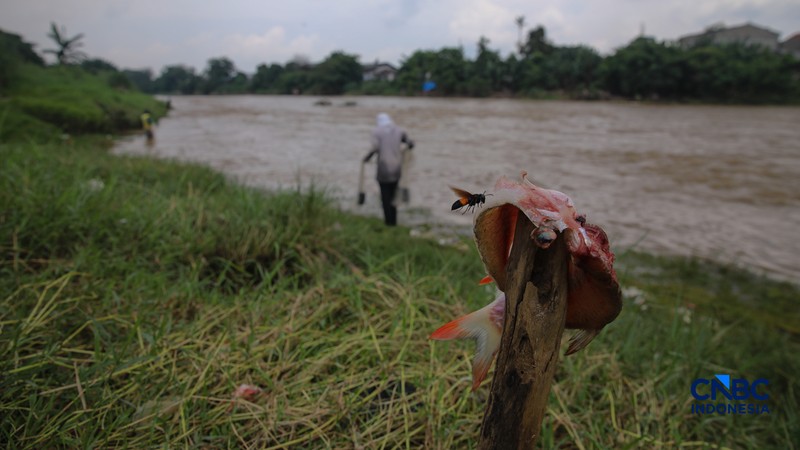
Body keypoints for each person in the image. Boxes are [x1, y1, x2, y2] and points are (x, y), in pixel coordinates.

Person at [363, 113, 414, 226]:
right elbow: (410, 143)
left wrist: (367, 158)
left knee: (385, 196)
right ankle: (394, 221)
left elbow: (375, 148)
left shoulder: (376, 132)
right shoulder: (399, 130)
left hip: (383, 170)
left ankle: (388, 222)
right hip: (397, 169)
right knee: (394, 194)